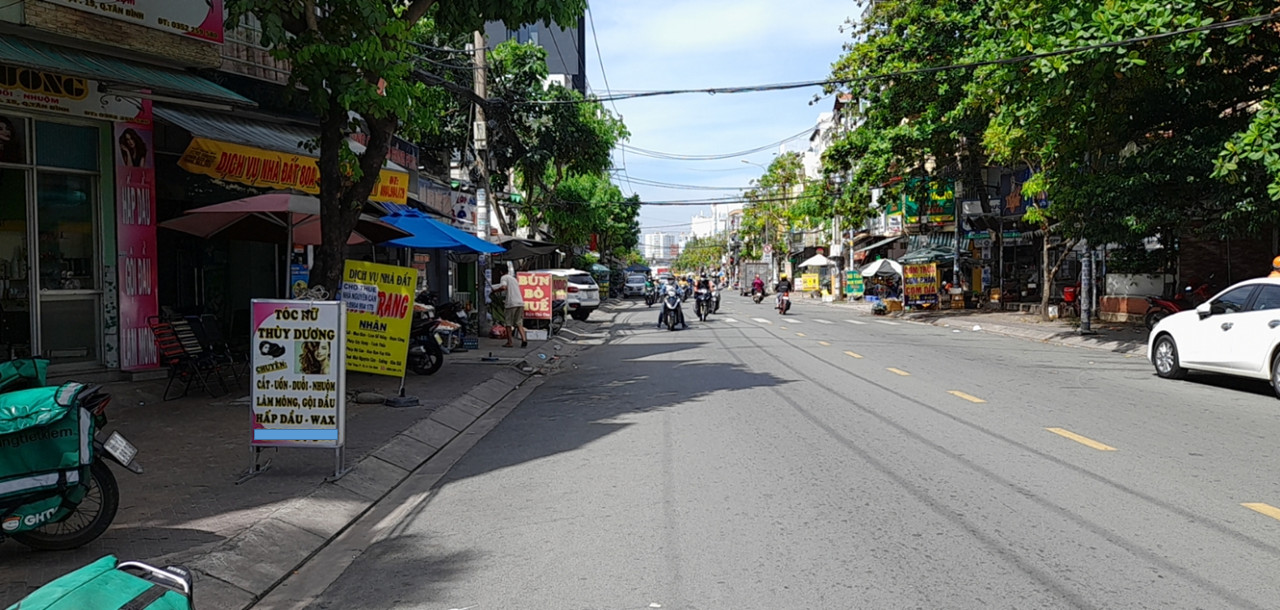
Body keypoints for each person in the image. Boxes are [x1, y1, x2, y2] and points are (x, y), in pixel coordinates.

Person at [490, 267, 527, 348]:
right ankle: (524, 339)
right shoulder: (513, 279)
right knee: (519, 323)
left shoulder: (504, 277)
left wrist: (495, 291)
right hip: (520, 303)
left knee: (508, 323)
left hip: (511, 304)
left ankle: (510, 342)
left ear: (501, 272)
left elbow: (504, 287)